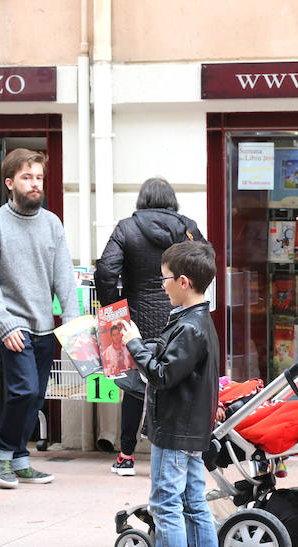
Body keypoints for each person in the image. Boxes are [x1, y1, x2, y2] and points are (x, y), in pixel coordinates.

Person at [120, 240, 227, 547]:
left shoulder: (191, 326)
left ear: (183, 281)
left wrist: (135, 346)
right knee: (193, 501)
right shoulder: (194, 321)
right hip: (190, 430)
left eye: (164, 279)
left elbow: (163, 376)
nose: (161, 285)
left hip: (176, 431)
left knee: (166, 503)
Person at [0, 148, 78, 489]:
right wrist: (3, 326)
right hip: (14, 325)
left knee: (35, 397)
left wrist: (73, 325)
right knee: (24, 390)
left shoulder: (52, 224)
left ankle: (20, 459)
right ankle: (1, 450)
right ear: (9, 183)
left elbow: (64, 276)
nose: (35, 184)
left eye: (38, 178)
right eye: (26, 177)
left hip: (45, 327)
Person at [95, 177, 205, 476]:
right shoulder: (188, 229)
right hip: (181, 317)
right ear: (172, 200)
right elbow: (206, 265)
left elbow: (106, 270)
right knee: (179, 382)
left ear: (141, 200)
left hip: (136, 320)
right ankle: (181, 452)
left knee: (134, 386)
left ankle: (127, 455)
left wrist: (115, 308)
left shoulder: (127, 228)